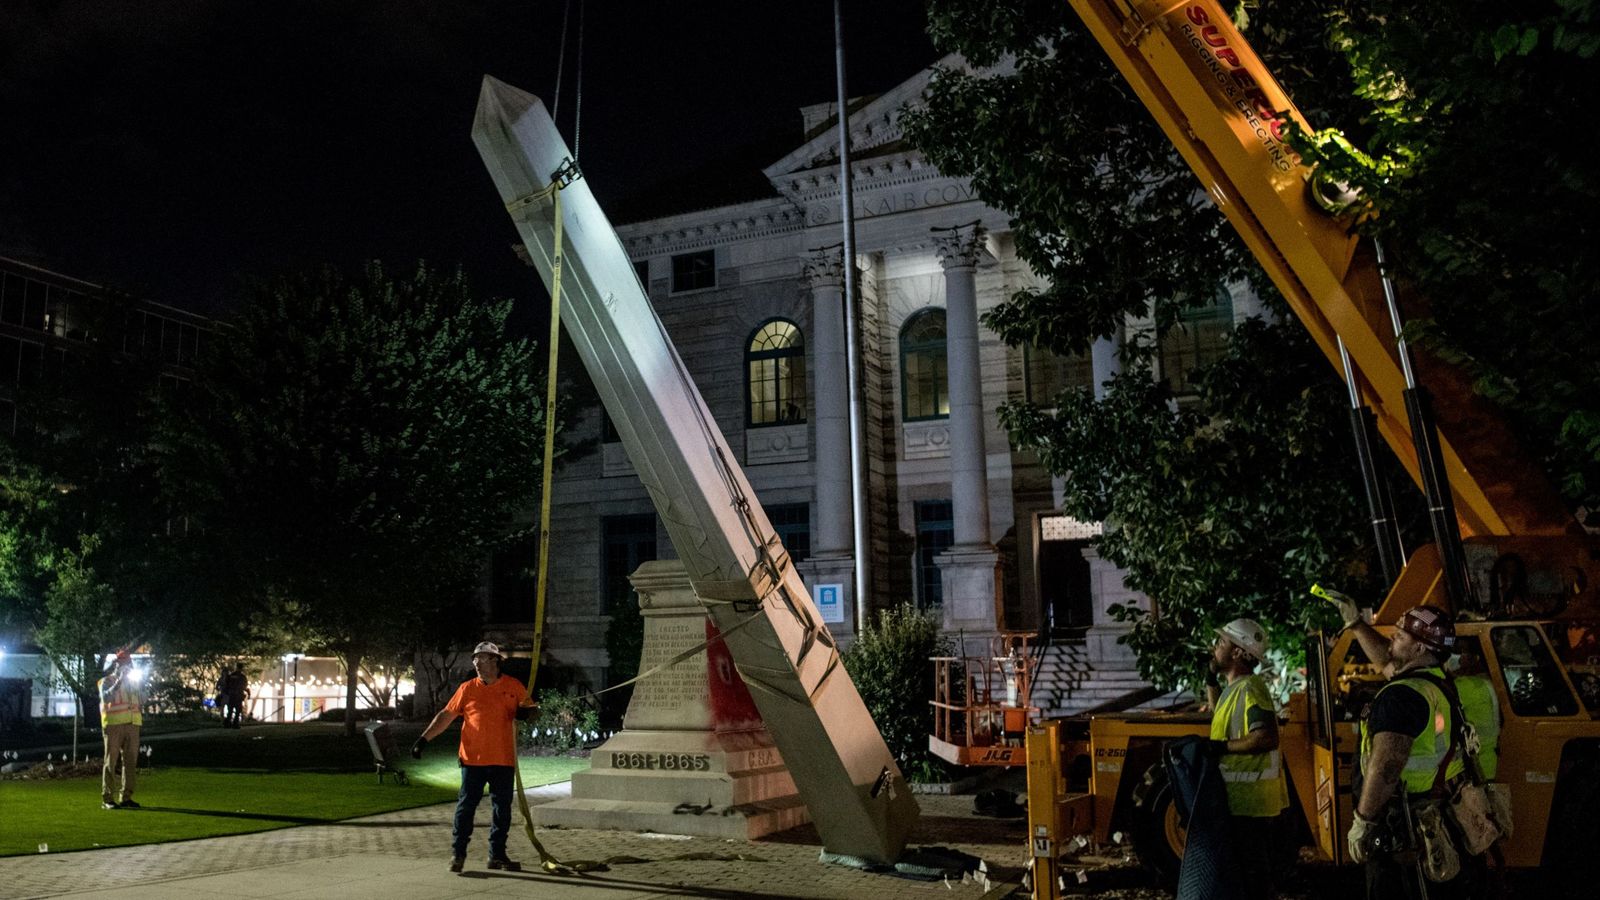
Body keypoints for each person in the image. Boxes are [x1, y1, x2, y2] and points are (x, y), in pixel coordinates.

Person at [1329, 597, 1467, 899]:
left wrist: (1363, 821)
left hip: (1401, 825)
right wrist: (1355, 624)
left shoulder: (1401, 696)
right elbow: (1387, 662)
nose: (1392, 637)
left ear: (1419, 649)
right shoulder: (1435, 682)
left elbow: (1387, 767)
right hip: (1433, 813)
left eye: (1401, 636)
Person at [412, 641, 535, 874]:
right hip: (472, 761)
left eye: (483, 659)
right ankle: (458, 854)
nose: (477, 663)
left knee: (502, 810)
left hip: (503, 760)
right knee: (466, 808)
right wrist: (423, 739)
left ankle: (497, 855)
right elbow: (446, 715)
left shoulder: (513, 686)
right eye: (475, 659)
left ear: (495, 661)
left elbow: (532, 709)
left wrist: (526, 713)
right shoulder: (467, 688)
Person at [1206, 618, 1289, 900]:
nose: (1215, 647)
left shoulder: (1250, 688)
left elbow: (1266, 737)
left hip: (1250, 805)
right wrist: (1210, 680)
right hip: (1243, 803)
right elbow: (1220, 713)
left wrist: (1221, 748)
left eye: (1221, 642)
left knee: (1254, 884)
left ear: (1238, 652)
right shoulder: (1236, 689)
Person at [98, 648, 143, 810]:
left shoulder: (134, 682)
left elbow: (142, 700)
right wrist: (119, 683)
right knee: (111, 762)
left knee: (130, 763)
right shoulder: (106, 681)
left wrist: (140, 686)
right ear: (116, 665)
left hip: (133, 724)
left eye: (129, 664)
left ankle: (126, 797)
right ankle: (107, 799)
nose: (127, 667)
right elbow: (106, 697)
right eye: (124, 663)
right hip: (113, 725)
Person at [222, 663, 249, 728]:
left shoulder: (231, 675)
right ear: (241, 668)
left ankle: (227, 723)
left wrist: (227, 692)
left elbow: (226, 685)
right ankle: (235, 723)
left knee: (230, 710)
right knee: (238, 710)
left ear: (236, 667)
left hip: (231, 695)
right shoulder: (242, 677)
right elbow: (244, 686)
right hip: (238, 695)